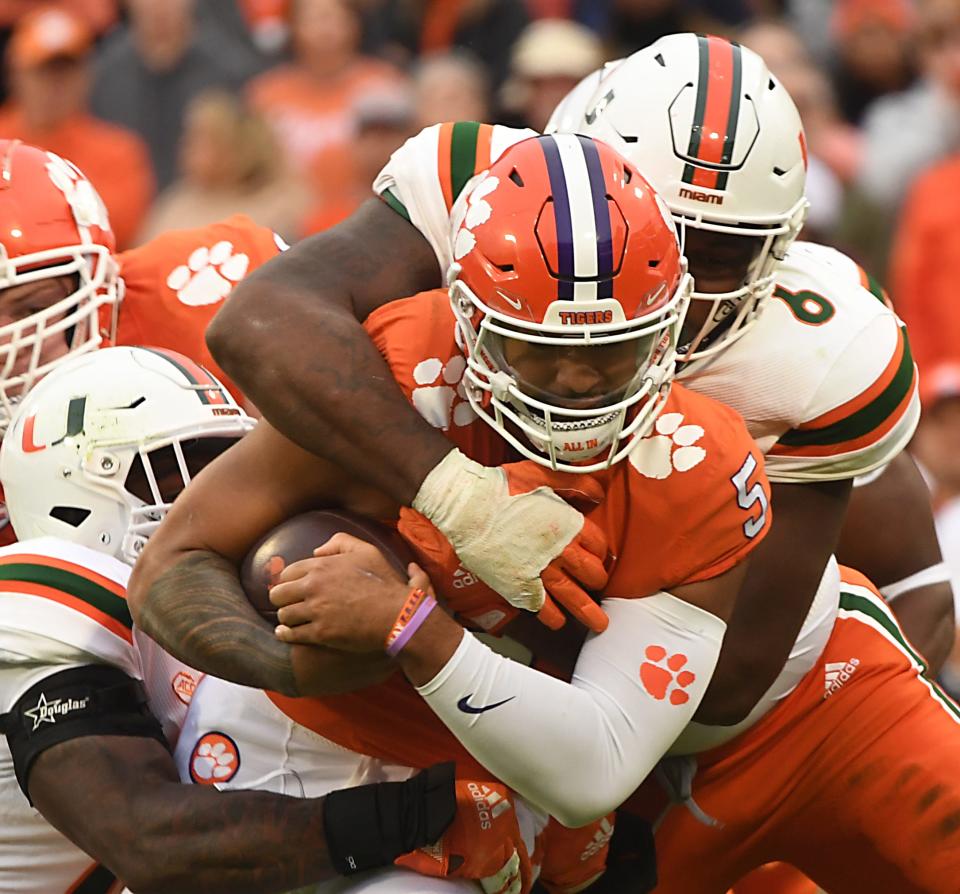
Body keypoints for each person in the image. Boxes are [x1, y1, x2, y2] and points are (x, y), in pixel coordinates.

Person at [131, 135, 772, 894]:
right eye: (537, 350)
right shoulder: (408, 371)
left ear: (669, 328)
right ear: (469, 322)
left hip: (480, 780)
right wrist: (301, 663)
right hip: (284, 729)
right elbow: (170, 565)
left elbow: (596, 765)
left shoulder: (696, 466)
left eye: (615, 350)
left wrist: (410, 629)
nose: (575, 376)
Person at [0, 345, 527, 894]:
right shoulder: (42, 585)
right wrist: (424, 817)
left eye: (229, 462)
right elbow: (151, 844)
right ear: (74, 500)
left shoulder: (197, 627)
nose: (218, 494)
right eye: (184, 471)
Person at [0, 6, 154, 249]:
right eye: (43, 73)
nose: (54, 86)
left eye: (65, 73)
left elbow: (115, 228)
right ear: (15, 74)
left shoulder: (119, 152)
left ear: (86, 78)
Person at [138, 89, 308, 245]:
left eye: (201, 140)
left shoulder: (284, 204)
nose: (185, 146)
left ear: (235, 148)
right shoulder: (177, 202)